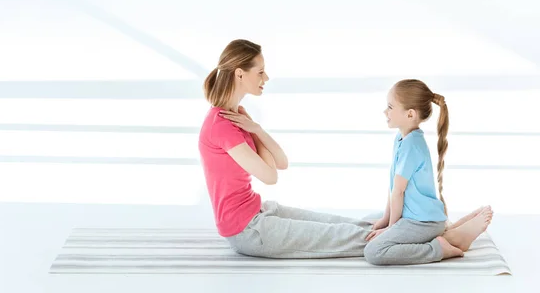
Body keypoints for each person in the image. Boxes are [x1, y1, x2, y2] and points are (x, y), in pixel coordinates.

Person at [198, 39, 487, 259]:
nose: (266, 78)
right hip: (247, 230)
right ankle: (444, 242)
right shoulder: (222, 126)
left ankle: (435, 228)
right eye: (260, 72)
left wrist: (257, 129)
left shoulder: (239, 117)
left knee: (352, 223)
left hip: (259, 210)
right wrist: (255, 134)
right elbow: (271, 176)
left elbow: (281, 163)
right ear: (239, 74)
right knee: (352, 238)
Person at [363, 79, 493, 265]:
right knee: (368, 221)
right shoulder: (402, 138)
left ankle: (440, 247)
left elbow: (398, 192)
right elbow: (394, 188)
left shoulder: (411, 146)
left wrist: (391, 228)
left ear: (410, 114)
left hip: (422, 222)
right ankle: (452, 230)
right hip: (415, 216)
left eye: (390, 107)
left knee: (374, 252)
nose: (385, 112)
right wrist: (385, 219)